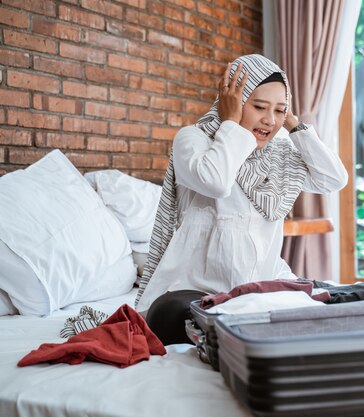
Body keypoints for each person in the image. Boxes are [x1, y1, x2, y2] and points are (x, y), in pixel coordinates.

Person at [134, 54, 348, 344]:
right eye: (259, 106)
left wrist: (295, 124)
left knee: (328, 312)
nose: (270, 120)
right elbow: (216, 181)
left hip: (257, 288)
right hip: (197, 290)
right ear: (234, 100)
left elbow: (334, 179)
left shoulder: (279, 153)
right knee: (172, 315)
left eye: (279, 111)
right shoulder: (194, 139)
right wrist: (230, 123)